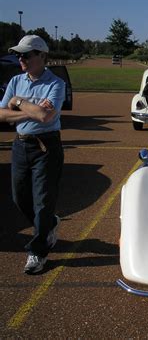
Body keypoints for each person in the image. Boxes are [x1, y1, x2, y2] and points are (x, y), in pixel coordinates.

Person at [0, 35, 65, 274]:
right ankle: (49, 225)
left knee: (43, 202)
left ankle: (38, 252)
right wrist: (31, 110)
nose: (21, 59)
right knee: (19, 198)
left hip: (46, 147)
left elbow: (47, 117)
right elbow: (1, 115)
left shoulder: (55, 83)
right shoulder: (16, 80)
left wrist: (17, 103)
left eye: (26, 55)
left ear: (41, 56)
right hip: (20, 145)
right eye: (19, 55)